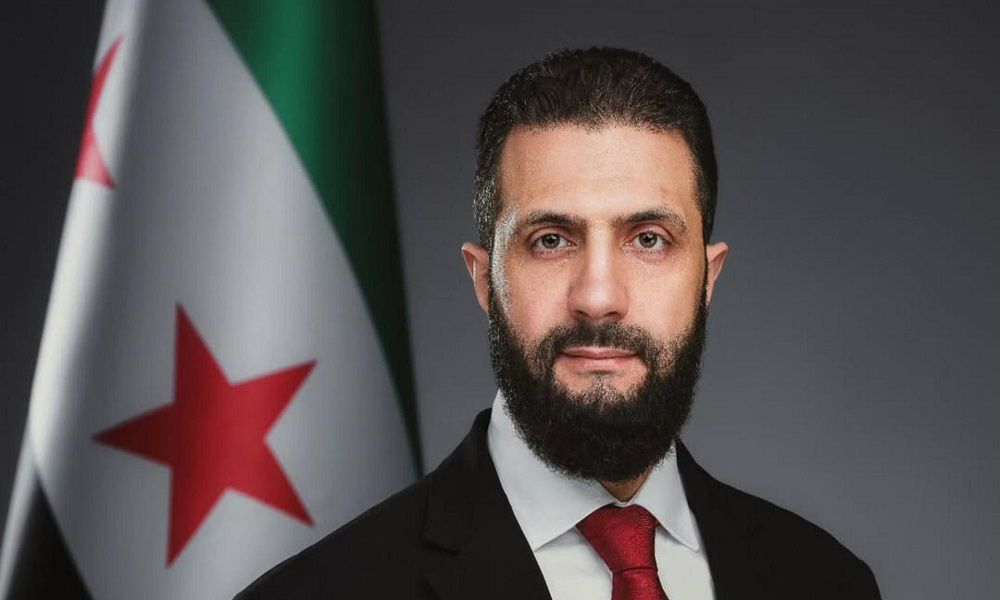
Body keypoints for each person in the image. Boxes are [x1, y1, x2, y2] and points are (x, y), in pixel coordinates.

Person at [235, 47, 881, 600]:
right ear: (484, 279)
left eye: (649, 239)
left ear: (707, 279)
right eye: (550, 240)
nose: (598, 298)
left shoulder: (827, 582)